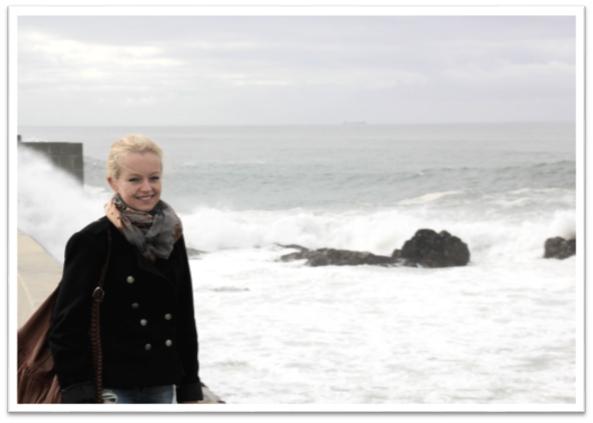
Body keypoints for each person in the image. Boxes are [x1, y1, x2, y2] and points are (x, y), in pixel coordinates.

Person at [48, 134, 203, 404]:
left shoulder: (171, 234)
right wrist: (80, 392)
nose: (147, 188)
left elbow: (183, 314)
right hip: (110, 387)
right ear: (113, 182)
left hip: (161, 380)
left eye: (154, 178)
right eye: (134, 179)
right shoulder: (93, 241)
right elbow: (66, 326)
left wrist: (190, 386)